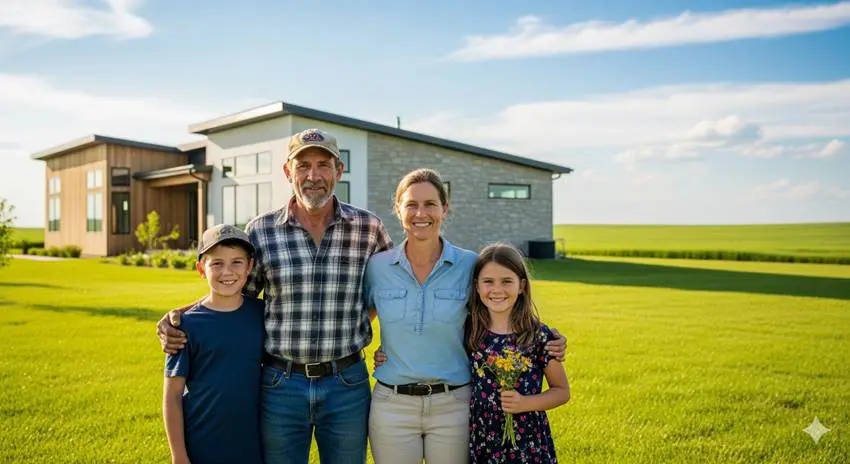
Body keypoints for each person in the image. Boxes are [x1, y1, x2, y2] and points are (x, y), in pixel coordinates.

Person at [158, 128, 393, 464]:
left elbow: (391, 292)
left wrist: (361, 322)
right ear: (288, 172)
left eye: (323, 165)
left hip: (347, 383)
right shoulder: (261, 231)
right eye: (303, 166)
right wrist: (181, 316)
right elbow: (237, 298)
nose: (313, 176)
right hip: (281, 384)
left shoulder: (369, 228)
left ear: (339, 171)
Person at [364, 169, 566, 463]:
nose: (421, 212)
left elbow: (502, 309)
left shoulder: (470, 264)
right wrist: (383, 350)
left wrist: (550, 339)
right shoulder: (377, 268)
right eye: (411, 204)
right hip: (392, 405)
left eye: (431, 204)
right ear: (398, 209)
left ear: (445, 209)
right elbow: (358, 322)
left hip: (454, 405)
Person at [162, 224, 265, 464]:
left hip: (253, 445)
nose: (227, 271)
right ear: (201, 268)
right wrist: (179, 456)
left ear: (249, 267)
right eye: (216, 263)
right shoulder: (184, 326)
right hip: (202, 443)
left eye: (237, 262)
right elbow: (172, 395)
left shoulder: (261, 314)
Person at [467, 243, 570, 463]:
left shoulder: (538, 336)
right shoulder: (470, 332)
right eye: (488, 282)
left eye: (507, 281)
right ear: (476, 286)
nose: (497, 290)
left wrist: (525, 403)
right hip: (482, 439)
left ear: (522, 285)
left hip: (527, 441)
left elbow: (562, 391)